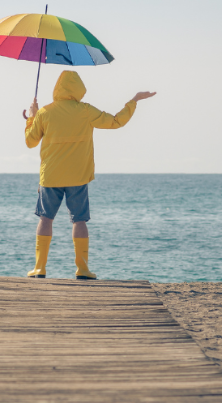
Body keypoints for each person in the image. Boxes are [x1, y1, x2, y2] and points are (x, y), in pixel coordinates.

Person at [24, 70, 155, 279]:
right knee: (79, 221)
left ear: (57, 89)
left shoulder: (45, 113)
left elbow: (30, 142)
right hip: (78, 176)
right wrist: (133, 101)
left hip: (50, 177)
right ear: (79, 90)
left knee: (45, 218)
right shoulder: (85, 111)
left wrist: (32, 116)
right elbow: (115, 122)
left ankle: (39, 268)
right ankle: (82, 269)